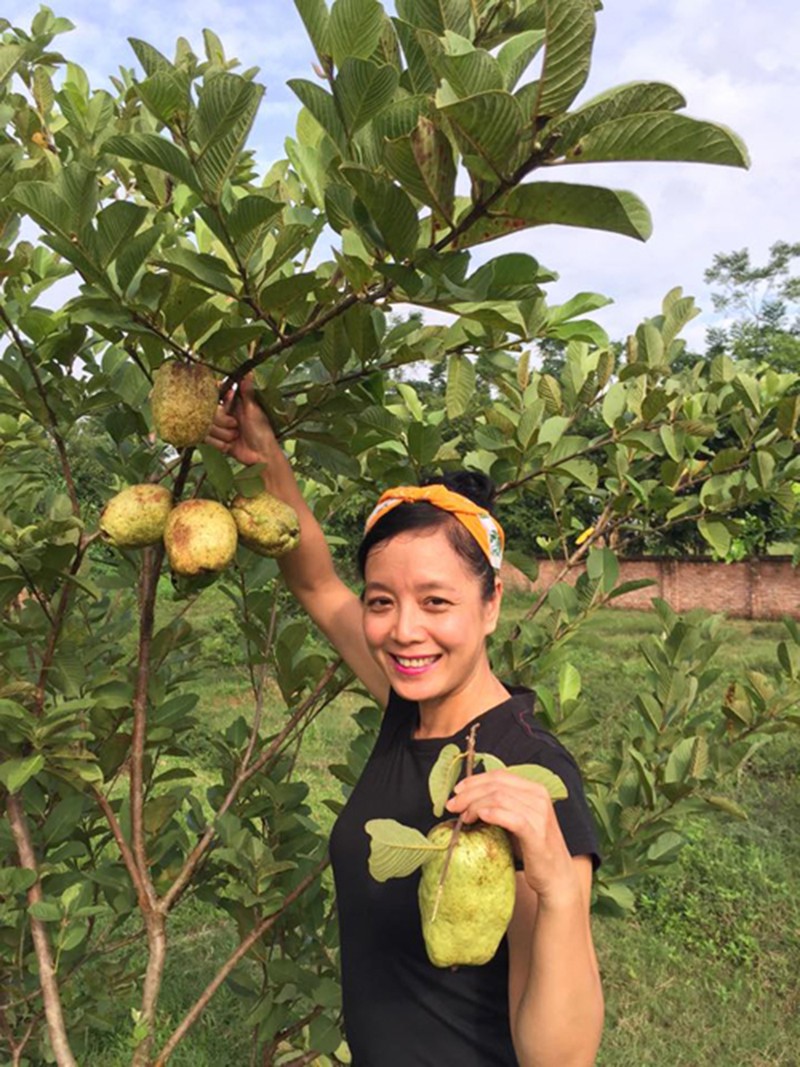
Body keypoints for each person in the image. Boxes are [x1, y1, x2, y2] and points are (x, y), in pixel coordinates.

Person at [207, 379, 604, 1067]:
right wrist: (264, 451)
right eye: (383, 600)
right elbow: (316, 582)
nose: (404, 630)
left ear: (491, 603)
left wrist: (560, 891)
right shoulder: (409, 706)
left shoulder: (529, 777)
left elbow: (559, 1058)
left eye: (437, 600)